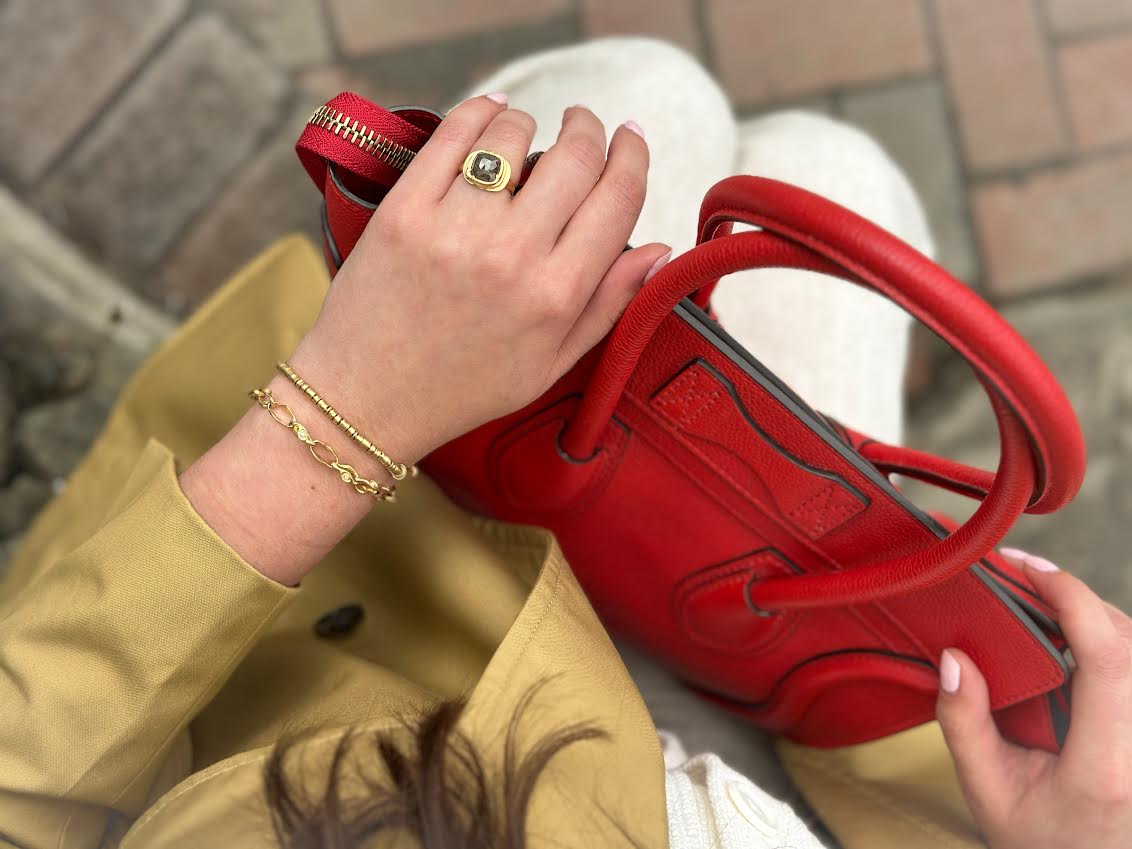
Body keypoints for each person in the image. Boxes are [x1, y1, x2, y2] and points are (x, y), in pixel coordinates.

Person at [0, 37, 1128, 849]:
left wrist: (354, 404)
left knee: (655, 99)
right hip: (781, 745)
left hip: (400, 600)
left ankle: (455, 260)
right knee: (830, 172)